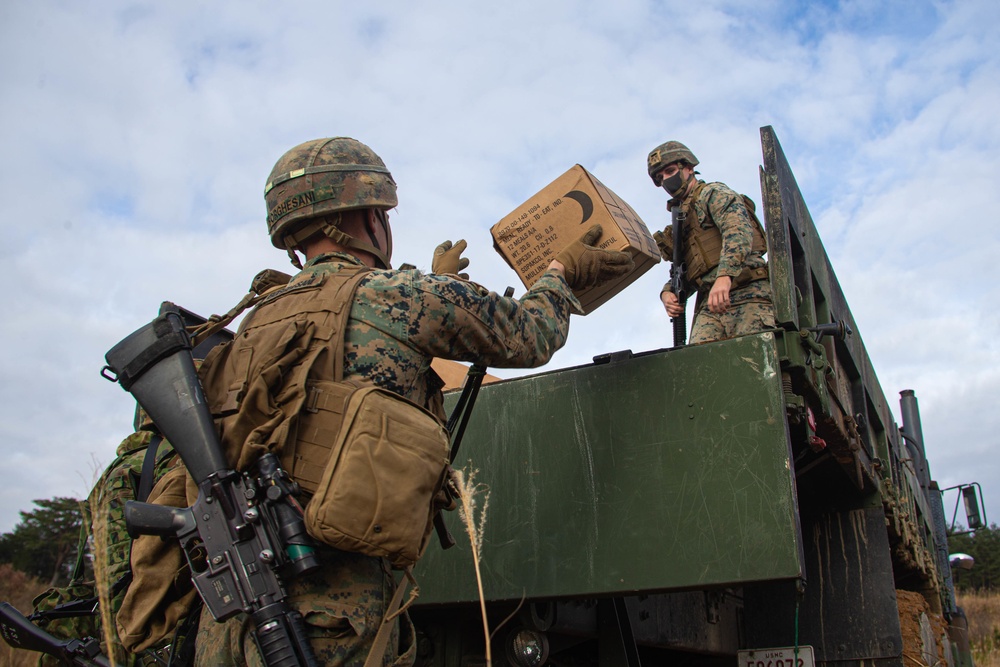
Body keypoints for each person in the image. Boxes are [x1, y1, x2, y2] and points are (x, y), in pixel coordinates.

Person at [192, 136, 633, 666]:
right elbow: (530, 335)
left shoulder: (254, 320)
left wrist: (433, 287)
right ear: (371, 216)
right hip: (334, 610)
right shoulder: (395, 295)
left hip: (237, 613)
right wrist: (560, 275)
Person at [647, 140, 775, 344]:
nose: (666, 181)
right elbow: (690, 270)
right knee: (699, 367)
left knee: (754, 364)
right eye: (660, 178)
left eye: (670, 171)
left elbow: (738, 231)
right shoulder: (682, 219)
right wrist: (667, 293)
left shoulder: (712, 194)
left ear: (688, 167)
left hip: (747, 292)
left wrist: (724, 277)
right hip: (711, 304)